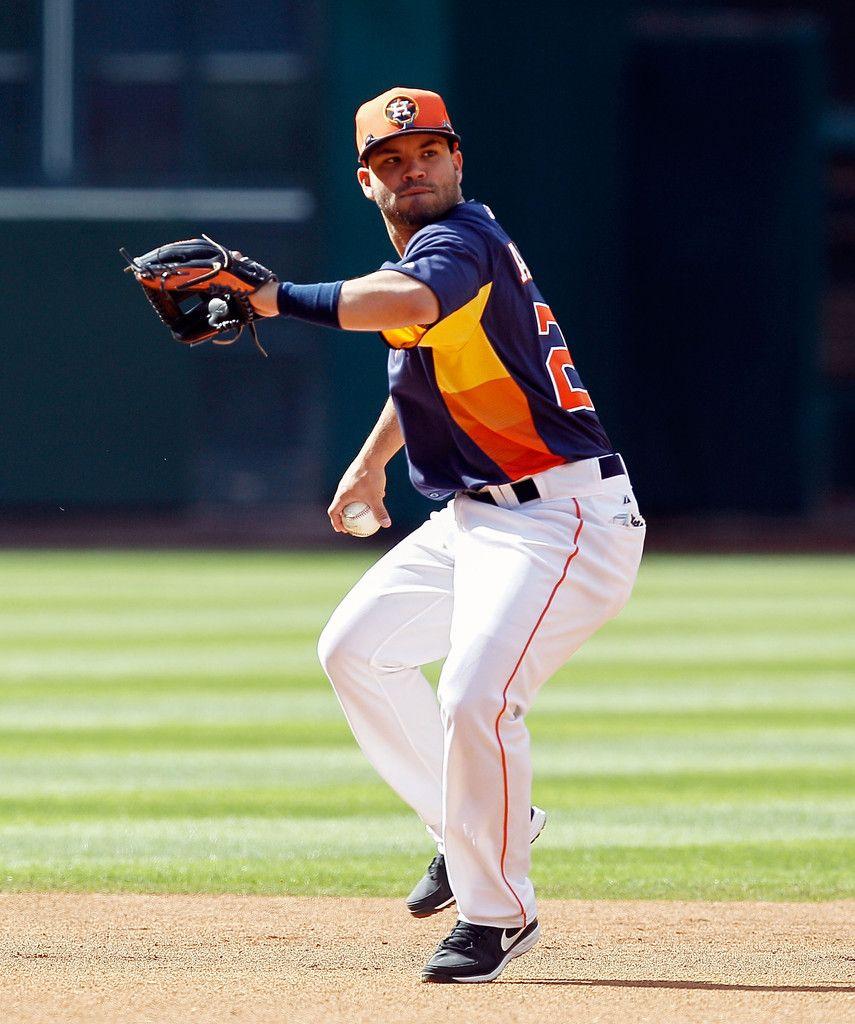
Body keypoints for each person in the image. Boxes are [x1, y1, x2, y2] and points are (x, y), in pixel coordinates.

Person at [249, 86, 646, 983]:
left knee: (474, 693)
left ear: (456, 160)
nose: (412, 167)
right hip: (475, 517)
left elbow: (409, 297)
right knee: (355, 650)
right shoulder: (428, 257)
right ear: (366, 180)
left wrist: (273, 298)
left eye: (426, 151)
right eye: (391, 160)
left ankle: (497, 913)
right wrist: (369, 463)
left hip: (563, 520)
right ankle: (462, 822)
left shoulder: (458, 241)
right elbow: (420, 355)